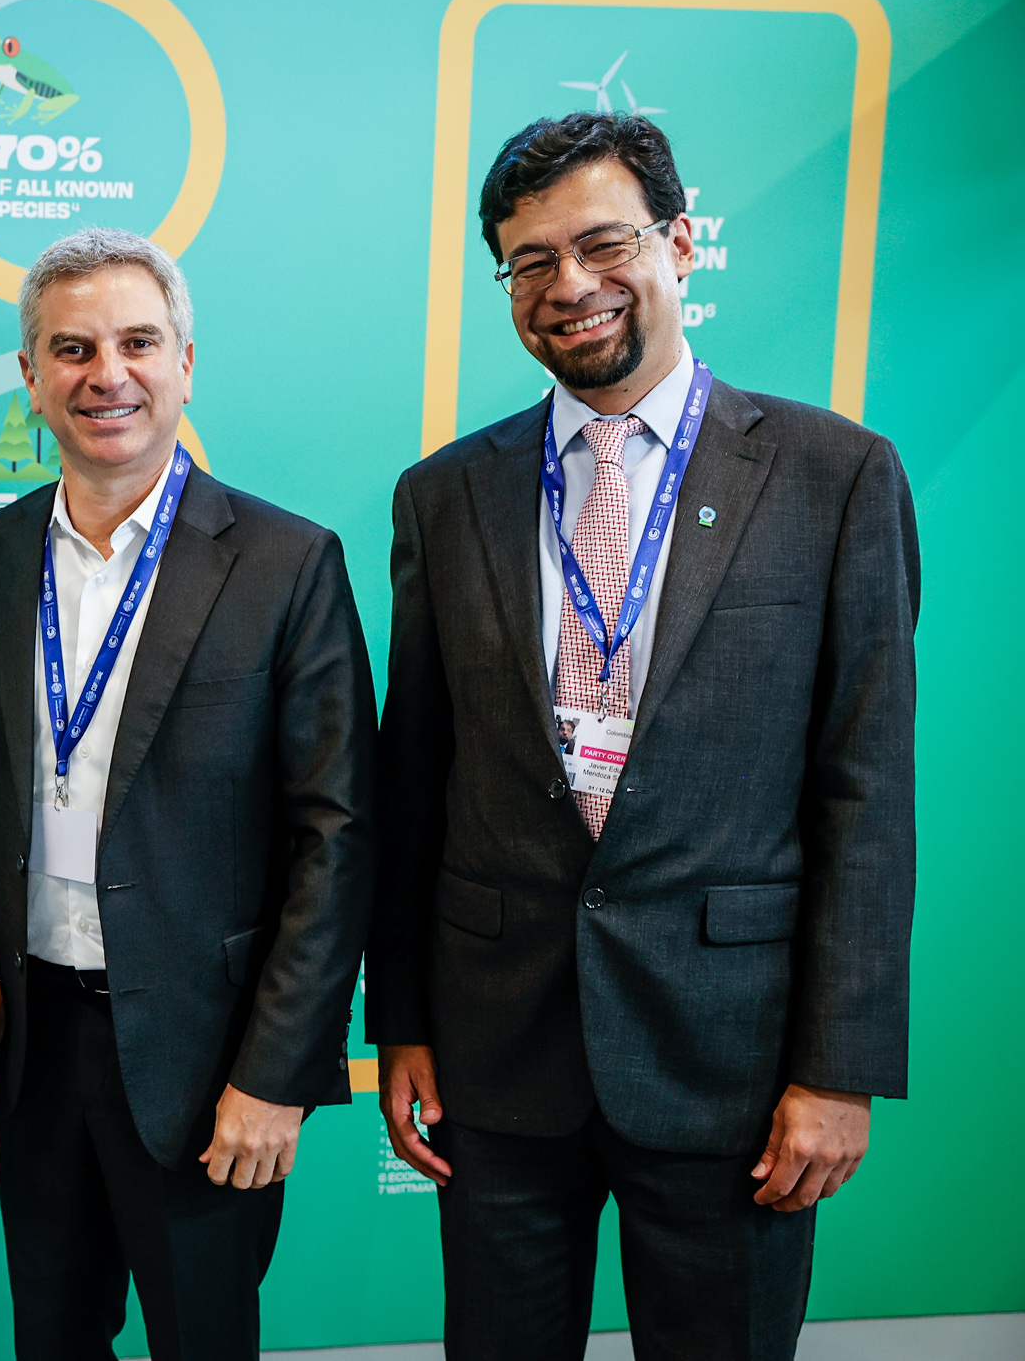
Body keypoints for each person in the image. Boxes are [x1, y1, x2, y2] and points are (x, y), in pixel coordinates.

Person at [368, 113, 918, 1360]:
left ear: (678, 245)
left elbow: (866, 792)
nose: (567, 285)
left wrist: (837, 1068)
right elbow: (413, 777)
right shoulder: (444, 494)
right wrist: (399, 1016)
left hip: (731, 1059)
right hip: (495, 1054)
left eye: (601, 244)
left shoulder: (833, 477)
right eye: (528, 261)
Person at [0, 227, 378, 1360]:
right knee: (51, 1339)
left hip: (207, 1057)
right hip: (34, 1046)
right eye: (71, 349)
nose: (107, 375)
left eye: (136, 342)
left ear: (185, 362)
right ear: (31, 375)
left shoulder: (285, 563)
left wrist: (276, 1077)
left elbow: (337, 839)